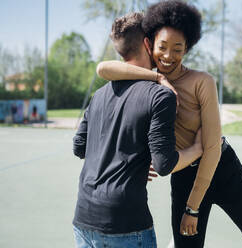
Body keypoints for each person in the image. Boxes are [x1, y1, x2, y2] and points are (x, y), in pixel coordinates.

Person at [97, 1, 242, 247]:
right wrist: (157, 77)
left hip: (222, 169)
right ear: (150, 44)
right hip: (184, 174)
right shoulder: (147, 82)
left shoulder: (202, 81)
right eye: (162, 47)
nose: (168, 56)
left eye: (178, 48)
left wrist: (192, 208)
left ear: (187, 49)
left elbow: (211, 147)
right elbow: (103, 68)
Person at [72, 12, 203, 248]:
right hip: (125, 224)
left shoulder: (99, 95)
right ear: (146, 43)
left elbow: (79, 147)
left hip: (83, 219)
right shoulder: (160, 95)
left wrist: (128, 161)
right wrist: (197, 149)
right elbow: (164, 165)